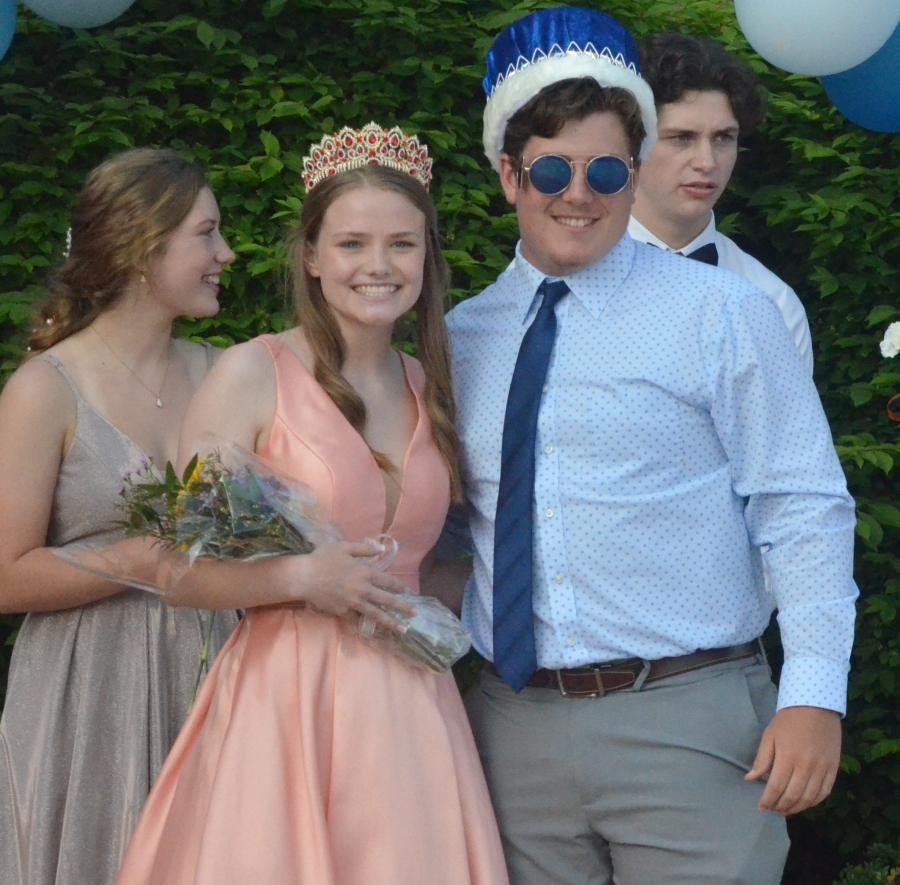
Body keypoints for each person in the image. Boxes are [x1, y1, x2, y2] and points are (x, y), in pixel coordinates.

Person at [446, 7, 857, 885]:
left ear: (633, 176)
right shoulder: (460, 338)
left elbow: (804, 505)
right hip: (510, 729)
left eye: (606, 169)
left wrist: (815, 693)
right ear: (508, 175)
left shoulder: (726, 315)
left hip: (689, 716)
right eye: (552, 167)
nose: (578, 192)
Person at [113, 123, 509, 885]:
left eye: (402, 244)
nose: (379, 265)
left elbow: (433, 566)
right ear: (312, 256)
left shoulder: (433, 386)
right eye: (353, 243)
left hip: (413, 709)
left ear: (427, 256)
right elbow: (176, 570)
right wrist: (302, 580)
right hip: (284, 703)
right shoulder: (251, 372)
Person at [0, 148, 240, 885]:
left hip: (217, 680)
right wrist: (130, 562)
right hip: (88, 697)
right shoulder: (46, 389)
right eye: (207, 234)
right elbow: (6, 575)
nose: (226, 254)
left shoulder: (222, 373)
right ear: (143, 247)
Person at [628, 31, 814, 373]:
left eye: (724, 138)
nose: (707, 162)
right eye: (681, 138)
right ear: (630, 145)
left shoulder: (772, 302)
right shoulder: (568, 274)